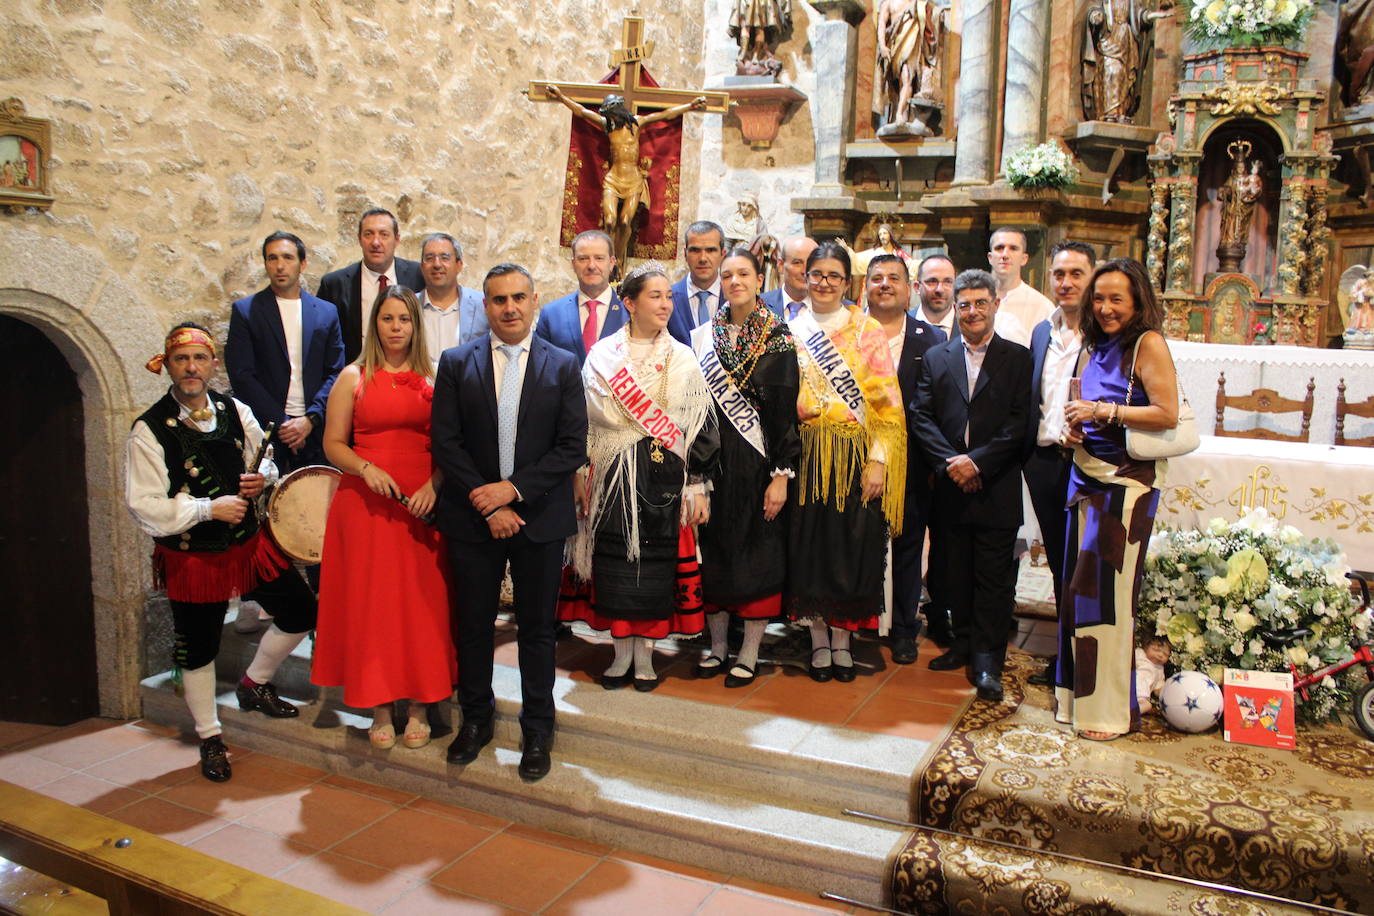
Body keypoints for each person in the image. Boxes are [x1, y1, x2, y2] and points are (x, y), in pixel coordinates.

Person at [125, 323, 318, 782]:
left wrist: (262, 478)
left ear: (213, 364)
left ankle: (255, 683)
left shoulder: (235, 410)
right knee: (199, 648)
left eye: (199, 359)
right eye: (181, 360)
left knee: (300, 611)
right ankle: (210, 736)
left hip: (249, 544)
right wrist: (207, 507)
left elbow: (263, 459)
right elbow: (145, 507)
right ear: (167, 366)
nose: (191, 368)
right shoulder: (149, 430)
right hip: (193, 558)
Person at [432, 264, 587, 781]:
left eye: (519, 297)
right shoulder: (457, 363)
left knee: (538, 631)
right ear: (487, 305)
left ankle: (537, 729)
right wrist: (491, 504)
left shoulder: (563, 365)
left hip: (538, 518)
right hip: (473, 518)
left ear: (535, 299)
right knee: (472, 627)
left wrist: (514, 493)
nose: (510, 308)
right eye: (499, 300)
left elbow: (571, 446)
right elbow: (446, 442)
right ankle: (475, 721)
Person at [562, 262, 718, 690]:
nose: (666, 303)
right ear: (629, 303)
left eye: (669, 296)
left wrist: (697, 485)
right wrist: (578, 471)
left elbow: (698, 425)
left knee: (653, 565)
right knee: (616, 564)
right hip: (611, 472)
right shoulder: (602, 355)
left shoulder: (683, 357)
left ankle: (646, 654)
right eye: (655, 296)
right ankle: (619, 653)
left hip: (664, 474)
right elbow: (584, 419)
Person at [312, 286, 455, 751]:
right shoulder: (352, 377)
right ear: (375, 324)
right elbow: (333, 443)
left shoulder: (435, 379)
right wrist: (366, 468)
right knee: (373, 605)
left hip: (422, 503)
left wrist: (435, 485)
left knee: (421, 605)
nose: (396, 328)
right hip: (367, 502)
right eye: (387, 319)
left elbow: (449, 446)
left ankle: (417, 704)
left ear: (416, 325)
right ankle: (378, 705)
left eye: (404, 320)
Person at [1056, 257, 1179, 740]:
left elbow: (1166, 412)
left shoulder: (1147, 344)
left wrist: (1102, 410)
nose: (1106, 308)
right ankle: (1076, 701)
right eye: (1099, 298)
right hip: (1085, 479)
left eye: (1117, 300)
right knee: (1076, 594)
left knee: (1106, 601)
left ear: (1137, 302)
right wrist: (1075, 431)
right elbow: (1083, 411)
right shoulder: (1093, 344)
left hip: (1125, 488)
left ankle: (1108, 711)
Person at [786, 242, 907, 683]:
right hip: (806, 456)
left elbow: (887, 404)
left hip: (855, 456)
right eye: (817, 274)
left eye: (834, 276)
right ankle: (818, 642)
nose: (823, 283)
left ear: (846, 282)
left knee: (850, 549)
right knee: (811, 549)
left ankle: (843, 641)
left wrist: (879, 462)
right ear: (806, 276)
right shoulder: (789, 327)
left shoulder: (866, 329)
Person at [911, 270, 1033, 702]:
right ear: (956, 308)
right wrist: (950, 463)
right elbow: (921, 415)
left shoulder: (1018, 359)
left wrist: (976, 461)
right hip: (949, 488)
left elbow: (1021, 422)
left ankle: (987, 660)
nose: (973, 311)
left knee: (993, 580)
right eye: (965, 304)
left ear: (996, 304)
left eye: (981, 303)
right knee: (952, 573)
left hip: (994, 484)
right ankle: (961, 641)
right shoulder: (937, 357)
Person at [689, 248, 799, 686]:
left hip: (759, 462)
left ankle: (749, 653)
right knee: (713, 554)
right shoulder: (703, 336)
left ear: (759, 280)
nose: (735, 281)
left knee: (759, 554)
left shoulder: (777, 336)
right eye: (727, 275)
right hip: (713, 460)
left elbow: (785, 412)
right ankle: (716, 648)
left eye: (743, 274)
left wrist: (781, 476)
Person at [865, 254, 944, 665]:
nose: (885, 285)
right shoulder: (849, 332)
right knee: (858, 540)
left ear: (909, 287)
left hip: (911, 462)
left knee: (909, 545)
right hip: (858, 459)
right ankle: (857, 621)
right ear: (865, 286)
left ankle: (902, 629)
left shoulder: (930, 339)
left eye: (893, 278)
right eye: (876, 278)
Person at [1024, 241, 1094, 687]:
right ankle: (1064, 655)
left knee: (1084, 564)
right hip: (1045, 460)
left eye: (1076, 274)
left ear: (1092, 278)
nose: (1066, 283)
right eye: (1059, 274)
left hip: (1086, 463)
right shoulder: (1041, 332)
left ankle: (1082, 657)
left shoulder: (1104, 335)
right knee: (1058, 562)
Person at [545, 87, 708, 273]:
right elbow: (582, 112)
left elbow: (664, 115)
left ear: (618, 110)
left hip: (633, 181)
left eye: (611, 114)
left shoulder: (637, 124)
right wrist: (560, 96)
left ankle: (618, 263)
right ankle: (608, 257)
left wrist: (689, 106)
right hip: (613, 179)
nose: (609, 118)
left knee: (624, 221)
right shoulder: (608, 127)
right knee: (609, 220)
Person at [225, 231, 345, 474]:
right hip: (267, 428)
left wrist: (310, 419)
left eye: (288, 258)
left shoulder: (326, 312)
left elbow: (336, 372)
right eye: (272, 258)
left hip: (317, 427)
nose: (280, 266)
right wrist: (285, 424)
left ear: (302, 264)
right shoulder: (246, 311)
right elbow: (242, 375)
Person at [317, 208, 424, 363]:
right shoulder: (334, 285)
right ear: (359, 239)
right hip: (356, 377)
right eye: (368, 234)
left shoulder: (419, 276)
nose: (375, 242)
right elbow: (323, 340)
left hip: (407, 374)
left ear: (397, 239)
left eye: (384, 234)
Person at [534, 229, 627, 365]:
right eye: (583, 259)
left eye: (599, 258)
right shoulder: (552, 314)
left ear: (612, 263)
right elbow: (541, 367)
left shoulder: (630, 313)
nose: (591, 265)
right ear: (573, 264)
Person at [417, 232, 488, 371]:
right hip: (417, 389)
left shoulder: (482, 305)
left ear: (459, 265)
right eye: (429, 258)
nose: (437, 264)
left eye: (445, 258)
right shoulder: (408, 306)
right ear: (422, 267)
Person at [986, 228, 1051, 342]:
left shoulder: (1042, 306)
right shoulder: (973, 299)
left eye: (1013, 248)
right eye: (999, 248)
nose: (1005, 254)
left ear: (1024, 259)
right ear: (990, 257)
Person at [669, 220, 728, 343]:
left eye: (711, 250)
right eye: (695, 250)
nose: (702, 259)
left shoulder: (736, 299)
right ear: (685, 254)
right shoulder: (668, 298)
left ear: (723, 254)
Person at [761, 236, 818, 320]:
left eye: (812, 263)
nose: (805, 271)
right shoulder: (759, 305)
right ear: (781, 265)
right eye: (797, 263)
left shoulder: (839, 309)